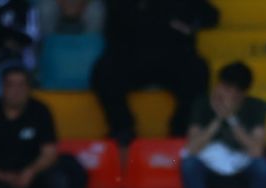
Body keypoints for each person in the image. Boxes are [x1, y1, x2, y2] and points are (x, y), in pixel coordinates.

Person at [89, 0, 215, 145]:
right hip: (129, 58)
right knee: (104, 71)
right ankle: (122, 129)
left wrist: (191, 23)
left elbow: (211, 16)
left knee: (198, 70)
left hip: (173, 57)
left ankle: (181, 130)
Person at [0, 66, 76, 188]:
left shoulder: (41, 111)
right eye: (11, 85)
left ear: (28, 88)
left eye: (21, 85)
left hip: (33, 173)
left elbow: (49, 153)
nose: (16, 90)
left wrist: (30, 172)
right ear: (3, 87)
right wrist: (2, 176)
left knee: (58, 178)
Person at [181, 61, 266, 188]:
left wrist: (231, 118)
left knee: (262, 167)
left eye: (228, 89)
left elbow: (257, 151)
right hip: (209, 171)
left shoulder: (256, 107)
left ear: (240, 94)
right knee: (189, 164)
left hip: (241, 171)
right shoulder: (202, 104)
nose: (221, 92)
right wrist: (217, 120)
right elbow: (192, 148)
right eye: (221, 86)